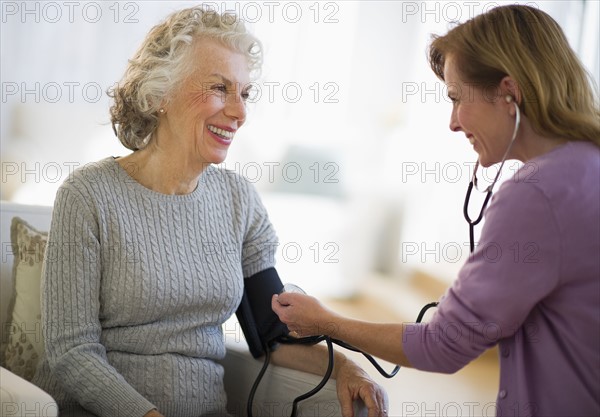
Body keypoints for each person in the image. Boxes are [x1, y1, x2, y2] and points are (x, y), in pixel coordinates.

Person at [31, 6, 388, 417]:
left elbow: (271, 332)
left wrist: (348, 367)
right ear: (158, 94)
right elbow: (72, 352)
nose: (239, 112)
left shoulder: (239, 202)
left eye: (245, 93)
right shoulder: (88, 196)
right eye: (219, 88)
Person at [273, 5, 600, 417]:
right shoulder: (588, 166)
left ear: (508, 93)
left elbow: (444, 346)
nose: (453, 123)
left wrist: (325, 321)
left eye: (457, 98)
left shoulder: (537, 194)